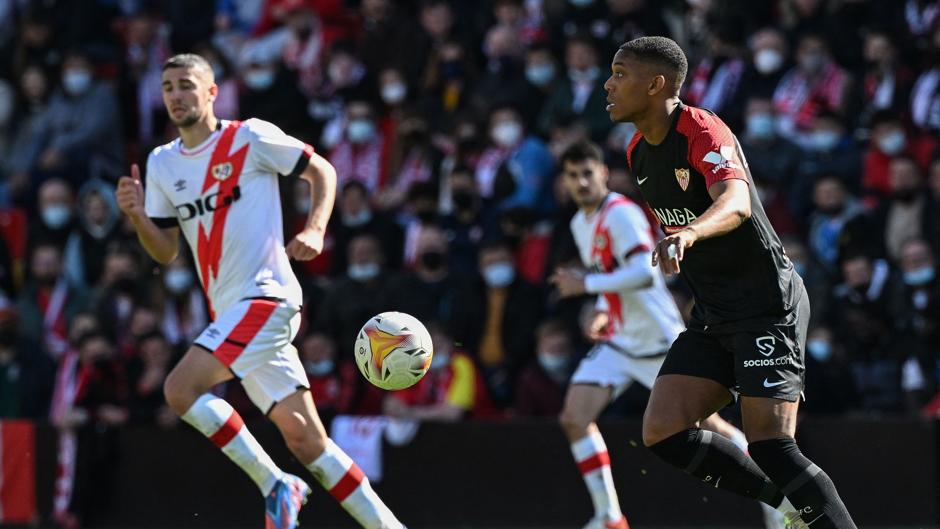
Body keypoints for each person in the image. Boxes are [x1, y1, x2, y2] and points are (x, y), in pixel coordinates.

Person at [115, 53, 404, 529]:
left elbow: (322, 171)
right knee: (307, 441)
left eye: (186, 85)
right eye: (167, 88)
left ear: (211, 92)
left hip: (268, 298)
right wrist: (139, 217)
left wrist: (315, 228)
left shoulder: (248, 137)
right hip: (231, 314)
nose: (176, 96)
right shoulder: (162, 163)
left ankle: (275, 484)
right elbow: (165, 252)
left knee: (180, 389)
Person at [605, 36, 856, 528]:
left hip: (766, 304)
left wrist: (689, 232)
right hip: (714, 313)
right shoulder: (638, 150)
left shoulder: (702, 128)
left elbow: (737, 203)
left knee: (772, 446)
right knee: (663, 430)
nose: (608, 85)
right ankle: (790, 508)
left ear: (656, 84)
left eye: (619, 73)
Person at [549, 140, 776, 529]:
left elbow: (643, 273)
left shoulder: (621, 214)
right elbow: (613, 279)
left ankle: (778, 502)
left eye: (588, 173)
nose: (582, 182)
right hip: (620, 342)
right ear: (565, 182)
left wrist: (585, 285)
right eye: (573, 176)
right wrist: (603, 311)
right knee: (574, 416)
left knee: (711, 427)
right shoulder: (579, 223)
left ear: (603, 173)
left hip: (659, 341)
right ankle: (609, 518)